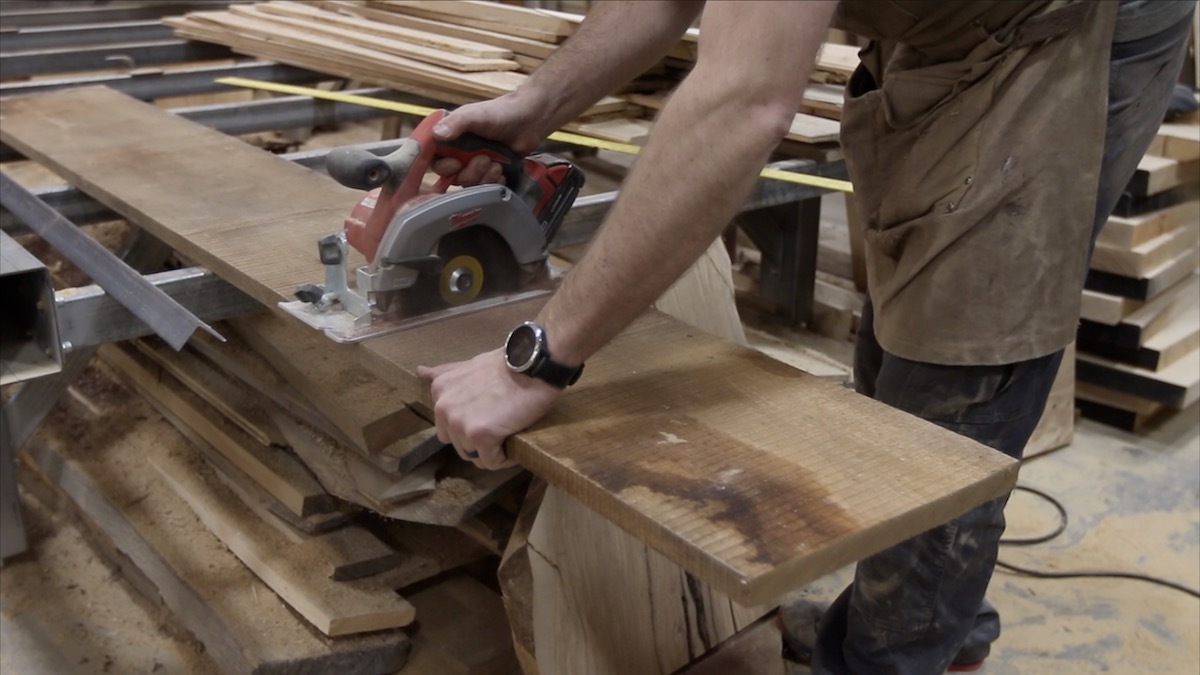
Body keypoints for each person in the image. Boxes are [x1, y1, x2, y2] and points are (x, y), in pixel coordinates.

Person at [417, 1, 1197, 672]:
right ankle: (927, 614)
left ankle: (898, 651)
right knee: (894, 353)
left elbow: (745, 103)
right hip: (953, 29)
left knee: (955, 381)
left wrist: (539, 358)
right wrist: (540, 101)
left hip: (1063, 29)